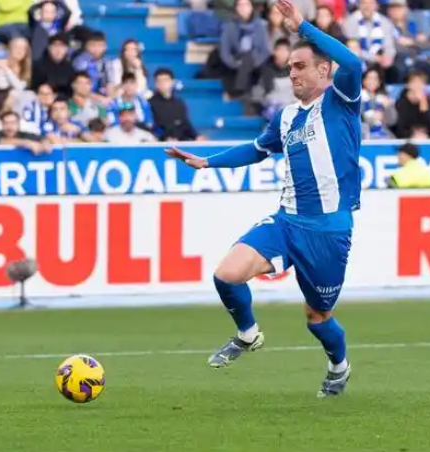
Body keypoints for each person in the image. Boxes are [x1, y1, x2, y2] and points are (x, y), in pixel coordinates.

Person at [166, 0, 362, 397]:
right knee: (226, 274)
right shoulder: (286, 117)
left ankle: (339, 366)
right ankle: (248, 333)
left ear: (324, 70)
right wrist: (207, 162)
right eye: (289, 67)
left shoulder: (341, 101)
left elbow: (355, 65)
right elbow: (256, 149)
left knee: (318, 317)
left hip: (328, 229)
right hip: (287, 221)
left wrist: (303, 26)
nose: (292, 73)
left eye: (300, 66)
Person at [149, 68, 201, 141]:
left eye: (165, 80)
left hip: (181, 141)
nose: (162, 83)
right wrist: (164, 137)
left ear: (172, 82)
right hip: (161, 143)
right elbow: (153, 127)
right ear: (156, 84)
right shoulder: (150, 103)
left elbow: (185, 123)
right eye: (159, 81)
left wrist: (196, 136)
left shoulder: (179, 103)